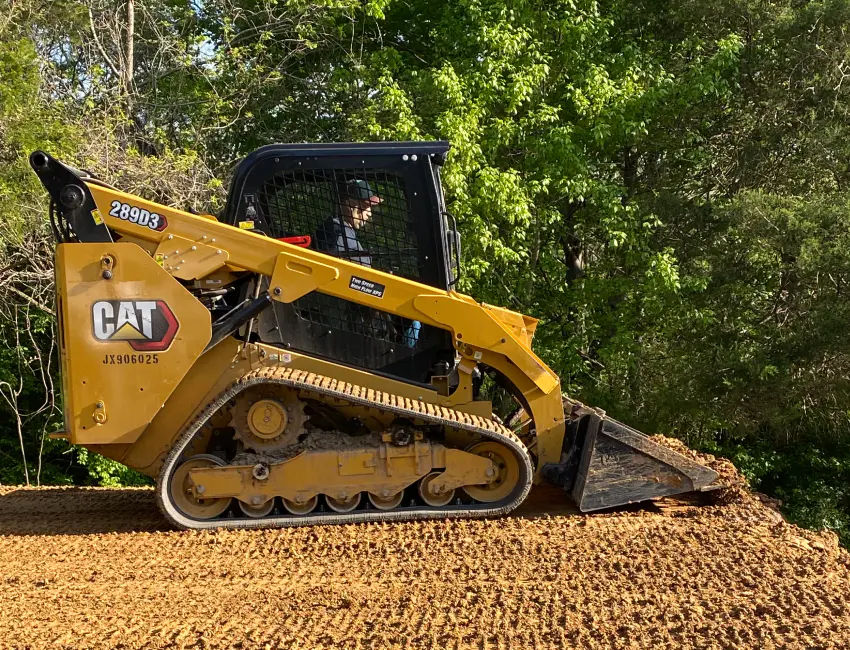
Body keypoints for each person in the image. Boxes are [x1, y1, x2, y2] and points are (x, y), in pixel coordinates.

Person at [314, 179, 420, 347]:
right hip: (348, 317)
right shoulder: (336, 234)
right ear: (350, 204)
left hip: (359, 308)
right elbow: (345, 275)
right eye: (366, 206)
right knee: (414, 322)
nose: (370, 213)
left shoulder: (343, 231)